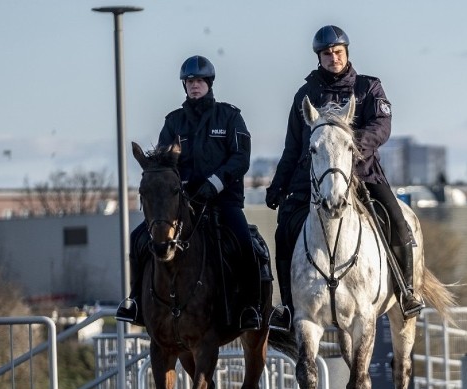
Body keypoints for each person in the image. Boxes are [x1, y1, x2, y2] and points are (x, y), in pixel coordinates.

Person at [265, 24, 425, 331]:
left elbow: (381, 127)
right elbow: (293, 145)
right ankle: (288, 307)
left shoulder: (369, 87)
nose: (333, 58)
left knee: (399, 222)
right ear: (319, 57)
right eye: (326, 54)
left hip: (363, 173)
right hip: (310, 177)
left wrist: (348, 146)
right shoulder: (305, 95)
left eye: (337, 52)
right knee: (284, 231)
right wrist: (278, 184)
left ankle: (407, 291)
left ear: (346, 52)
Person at [116, 55, 262, 332]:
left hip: (222, 200)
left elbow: (241, 158)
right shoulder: (174, 122)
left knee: (244, 242)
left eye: (199, 81)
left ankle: (250, 307)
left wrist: (215, 182)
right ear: (185, 86)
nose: (195, 86)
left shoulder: (230, 116)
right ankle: (135, 302)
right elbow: (162, 162)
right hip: (183, 203)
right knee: (138, 239)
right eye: (190, 82)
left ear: (209, 83)